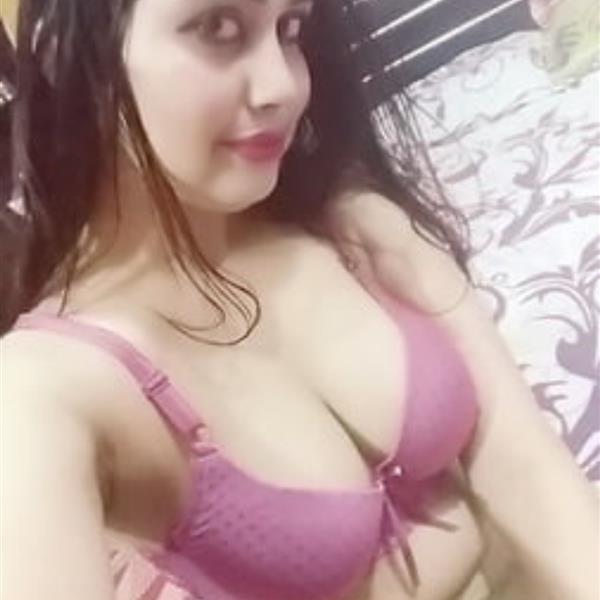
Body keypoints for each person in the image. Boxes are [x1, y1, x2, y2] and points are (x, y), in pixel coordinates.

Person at [0, 1, 597, 599]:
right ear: (57, 50)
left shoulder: (352, 226)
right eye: (216, 29)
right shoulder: (44, 389)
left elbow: (525, 465)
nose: (282, 86)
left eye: (289, 29)